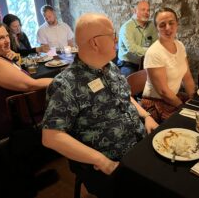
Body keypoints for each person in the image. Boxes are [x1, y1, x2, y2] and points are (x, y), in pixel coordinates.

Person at [41, 13, 159, 198]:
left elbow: (125, 97)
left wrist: (146, 116)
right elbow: (51, 136)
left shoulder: (110, 67)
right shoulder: (66, 84)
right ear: (95, 43)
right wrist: (102, 161)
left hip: (139, 146)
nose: (116, 39)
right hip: (111, 163)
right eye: (112, 34)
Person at [0, 20, 53, 140]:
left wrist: (14, 61)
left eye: (7, 35)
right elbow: (30, 85)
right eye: (1, 38)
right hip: (14, 125)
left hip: (17, 118)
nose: (7, 41)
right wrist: (60, 80)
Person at [141, 7, 195, 122]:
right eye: (162, 25)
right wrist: (183, 107)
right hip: (155, 103)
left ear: (177, 24)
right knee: (188, 123)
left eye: (171, 23)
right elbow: (163, 92)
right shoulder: (154, 53)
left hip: (173, 98)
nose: (168, 28)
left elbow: (187, 77)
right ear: (156, 28)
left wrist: (193, 98)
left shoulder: (179, 45)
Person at [117, 1, 158, 76]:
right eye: (143, 10)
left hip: (145, 61)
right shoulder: (127, 27)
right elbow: (132, 48)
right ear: (135, 11)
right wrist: (151, 52)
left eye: (148, 10)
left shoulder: (151, 26)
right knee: (130, 82)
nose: (147, 12)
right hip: (127, 63)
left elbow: (156, 44)